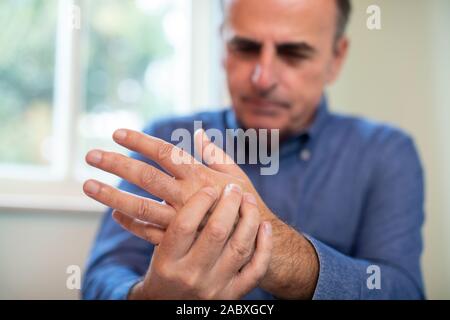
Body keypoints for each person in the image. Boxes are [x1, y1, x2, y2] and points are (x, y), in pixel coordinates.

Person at [81, 0, 425, 299]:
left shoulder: (385, 153)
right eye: (245, 47)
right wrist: (147, 296)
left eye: (293, 53)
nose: (262, 78)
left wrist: (280, 253)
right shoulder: (167, 141)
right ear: (223, 47)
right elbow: (103, 277)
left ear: (336, 58)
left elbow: (402, 290)